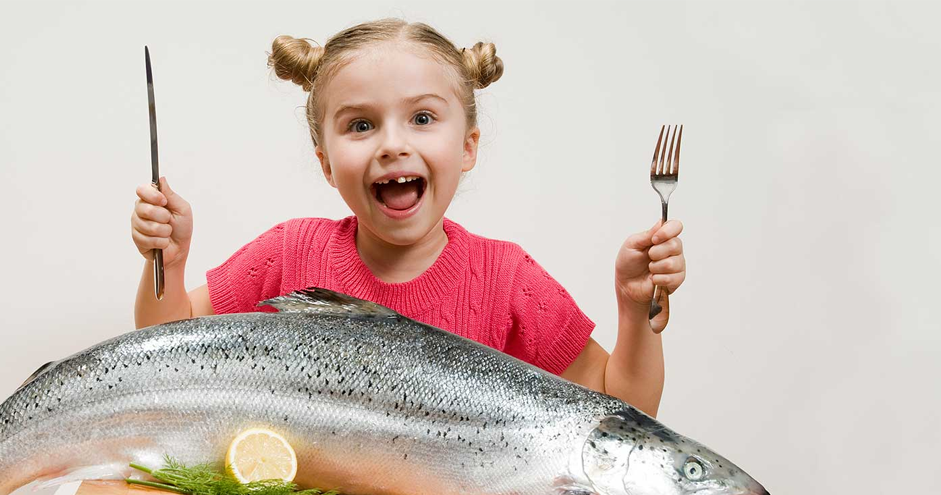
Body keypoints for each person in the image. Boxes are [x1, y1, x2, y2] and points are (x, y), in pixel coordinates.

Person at [130, 19, 685, 417]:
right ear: (325, 162)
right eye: (361, 125)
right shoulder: (287, 252)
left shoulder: (508, 279)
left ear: (467, 147)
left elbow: (621, 412)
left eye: (421, 118)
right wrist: (168, 267)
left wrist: (635, 314)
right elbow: (166, 351)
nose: (393, 144)